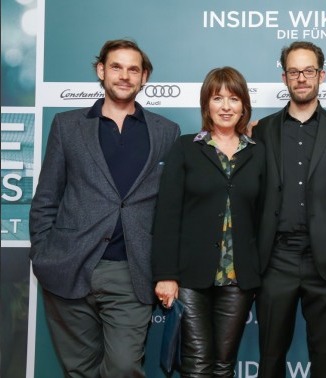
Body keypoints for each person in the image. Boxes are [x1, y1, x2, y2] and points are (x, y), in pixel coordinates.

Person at [29, 38, 181, 377]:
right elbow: (46, 197)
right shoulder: (67, 125)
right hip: (68, 264)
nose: (124, 76)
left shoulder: (166, 132)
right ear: (101, 70)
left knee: (124, 367)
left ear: (144, 77)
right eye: (116, 66)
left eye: (133, 69)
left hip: (131, 271)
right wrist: (43, 254)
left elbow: (171, 209)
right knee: (78, 369)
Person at [252, 41, 326, 378]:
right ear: (284, 77)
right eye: (294, 71)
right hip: (275, 261)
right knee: (270, 358)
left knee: (325, 360)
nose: (302, 78)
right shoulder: (263, 130)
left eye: (309, 71)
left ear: (321, 75)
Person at [151, 66, 265, 377]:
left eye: (234, 99)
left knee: (224, 364)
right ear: (206, 105)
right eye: (218, 98)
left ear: (244, 106)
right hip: (190, 276)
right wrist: (165, 275)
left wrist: (259, 272)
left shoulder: (258, 152)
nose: (226, 107)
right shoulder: (187, 148)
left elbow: (264, 217)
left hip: (238, 278)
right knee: (198, 363)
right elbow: (167, 215)